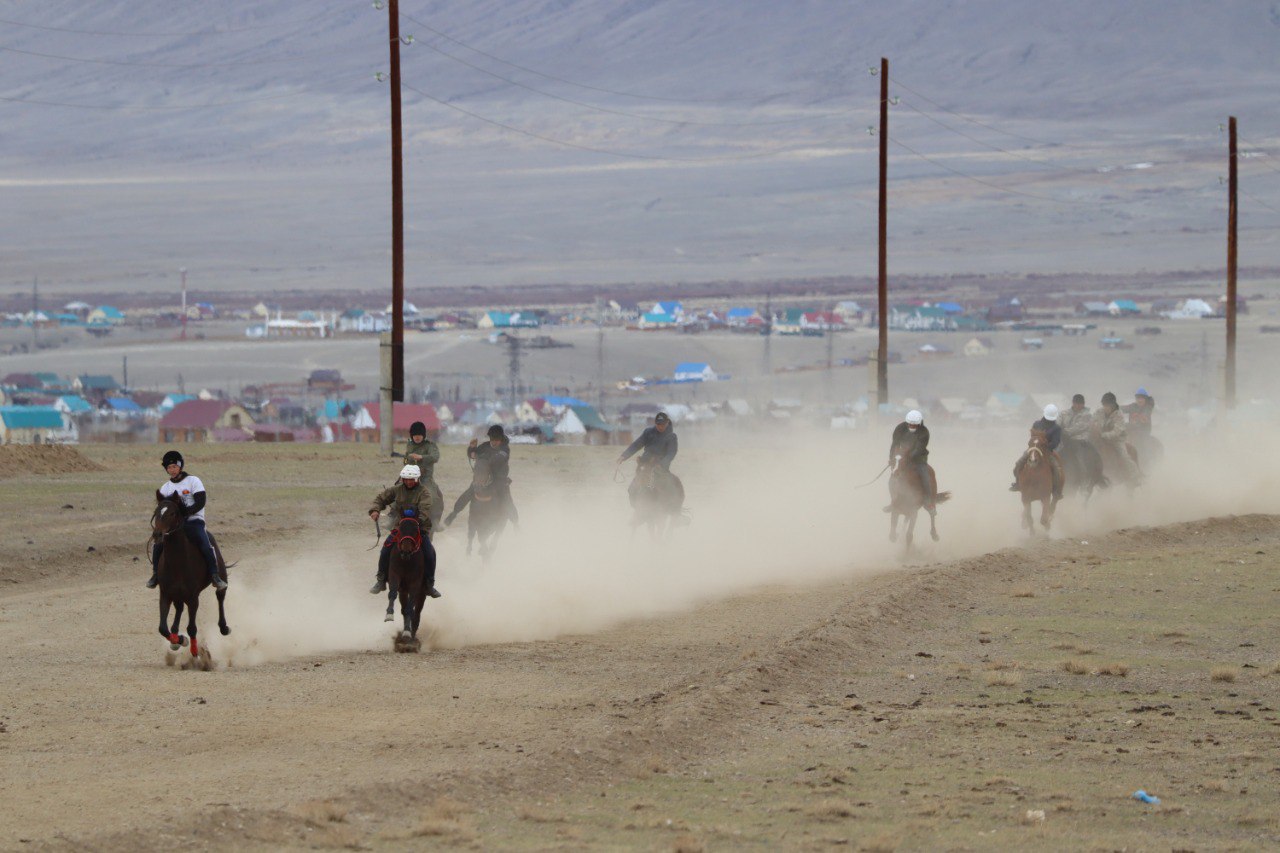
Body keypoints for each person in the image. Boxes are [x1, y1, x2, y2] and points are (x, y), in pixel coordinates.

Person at [147, 449, 227, 590]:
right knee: (157, 544)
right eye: (169, 468)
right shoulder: (166, 488)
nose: (172, 470)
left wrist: (186, 513)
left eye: (174, 467)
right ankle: (155, 575)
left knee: (205, 542)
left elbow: (201, 502)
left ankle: (215, 575)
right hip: (173, 525)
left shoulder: (193, 481)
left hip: (194, 521)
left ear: (180, 466)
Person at [368, 464, 440, 598]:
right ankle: (381, 580)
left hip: (419, 528)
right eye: (406, 479)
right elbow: (380, 499)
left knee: (430, 553)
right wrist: (375, 510)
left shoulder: (424, 492)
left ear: (417, 479)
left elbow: (424, 510)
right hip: (399, 528)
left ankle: (429, 584)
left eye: (411, 479)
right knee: (385, 549)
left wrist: (415, 522)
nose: (408, 481)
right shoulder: (396, 490)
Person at [443, 424, 517, 527]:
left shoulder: (505, 449)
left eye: (497, 440)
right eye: (492, 439)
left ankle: (515, 522)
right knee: (468, 493)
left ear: (501, 439)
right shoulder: (485, 446)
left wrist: (482, 459)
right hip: (482, 476)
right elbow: (473, 455)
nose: (494, 442)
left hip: (498, 479)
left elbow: (497, 459)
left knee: (507, 499)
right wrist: (472, 449)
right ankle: (453, 514)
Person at [617, 411, 681, 505]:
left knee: (669, 490)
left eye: (663, 424)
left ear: (667, 423)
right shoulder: (648, 432)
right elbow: (637, 445)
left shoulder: (671, 437)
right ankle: (637, 509)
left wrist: (662, 464)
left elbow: (671, 453)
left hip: (660, 467)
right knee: (632, 489)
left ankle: (674, 510)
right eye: (658, 424)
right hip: (645, 465)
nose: (660, 427)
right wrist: (624, 456)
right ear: (655, 423)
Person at [1009, 404, 1064, 499]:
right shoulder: (1036, 424)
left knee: (1056, 469)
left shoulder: (1057, 428)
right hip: (1033, 449)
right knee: (1019, 463)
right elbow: (1032, 438)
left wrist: (1045, 446)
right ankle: (1018, 483)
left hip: (1047, 452)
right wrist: (1035, 445)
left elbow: (1055, 442)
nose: (1049, 420)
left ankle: (1056, 490)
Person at [885, 410, 935, 513]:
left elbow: (919, 449)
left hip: (919, 458)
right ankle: (893, 501)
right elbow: (894, 444)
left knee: (925, 476)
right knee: (893, 478)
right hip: (902, 456)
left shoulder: (924, 432)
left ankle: (928, 502)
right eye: (910, 424)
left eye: (914, 425)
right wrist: (892, 458)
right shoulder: (900, 429)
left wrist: (906, 457)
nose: (912, 426)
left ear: (919, 424)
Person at [1094, 391, 1143, 485]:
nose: (1105, 407)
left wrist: (1103, 435)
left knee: (1124, 456)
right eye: (1104, 405)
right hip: (1100, 439)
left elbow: (1116, 432)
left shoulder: (1119, 414)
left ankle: (1135, 476)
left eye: (1107, 405)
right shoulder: (1099, 412)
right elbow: (1093, 421)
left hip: (1116, 440)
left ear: (1112, 405)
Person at [403, 420, 443, 530]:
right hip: (409, 476)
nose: (417, 437)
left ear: (423, 435)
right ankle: (392, 517)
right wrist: (408, 459)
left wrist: (421, 457)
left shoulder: (429, 445)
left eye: (419, 435)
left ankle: (435, 521)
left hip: (426, 478)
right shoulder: (409, 445)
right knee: (396, 491)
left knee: (434, 497)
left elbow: (435, 457)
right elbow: (405, 461)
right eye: (415, 435)